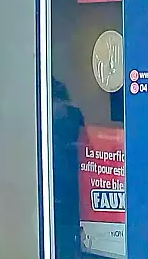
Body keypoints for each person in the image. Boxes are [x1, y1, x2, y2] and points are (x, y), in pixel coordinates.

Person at [52, 78, 85, 259]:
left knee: (62, 231)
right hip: (71, 178)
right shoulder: (73, 113)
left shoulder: (51, 115)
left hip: (61, 178)